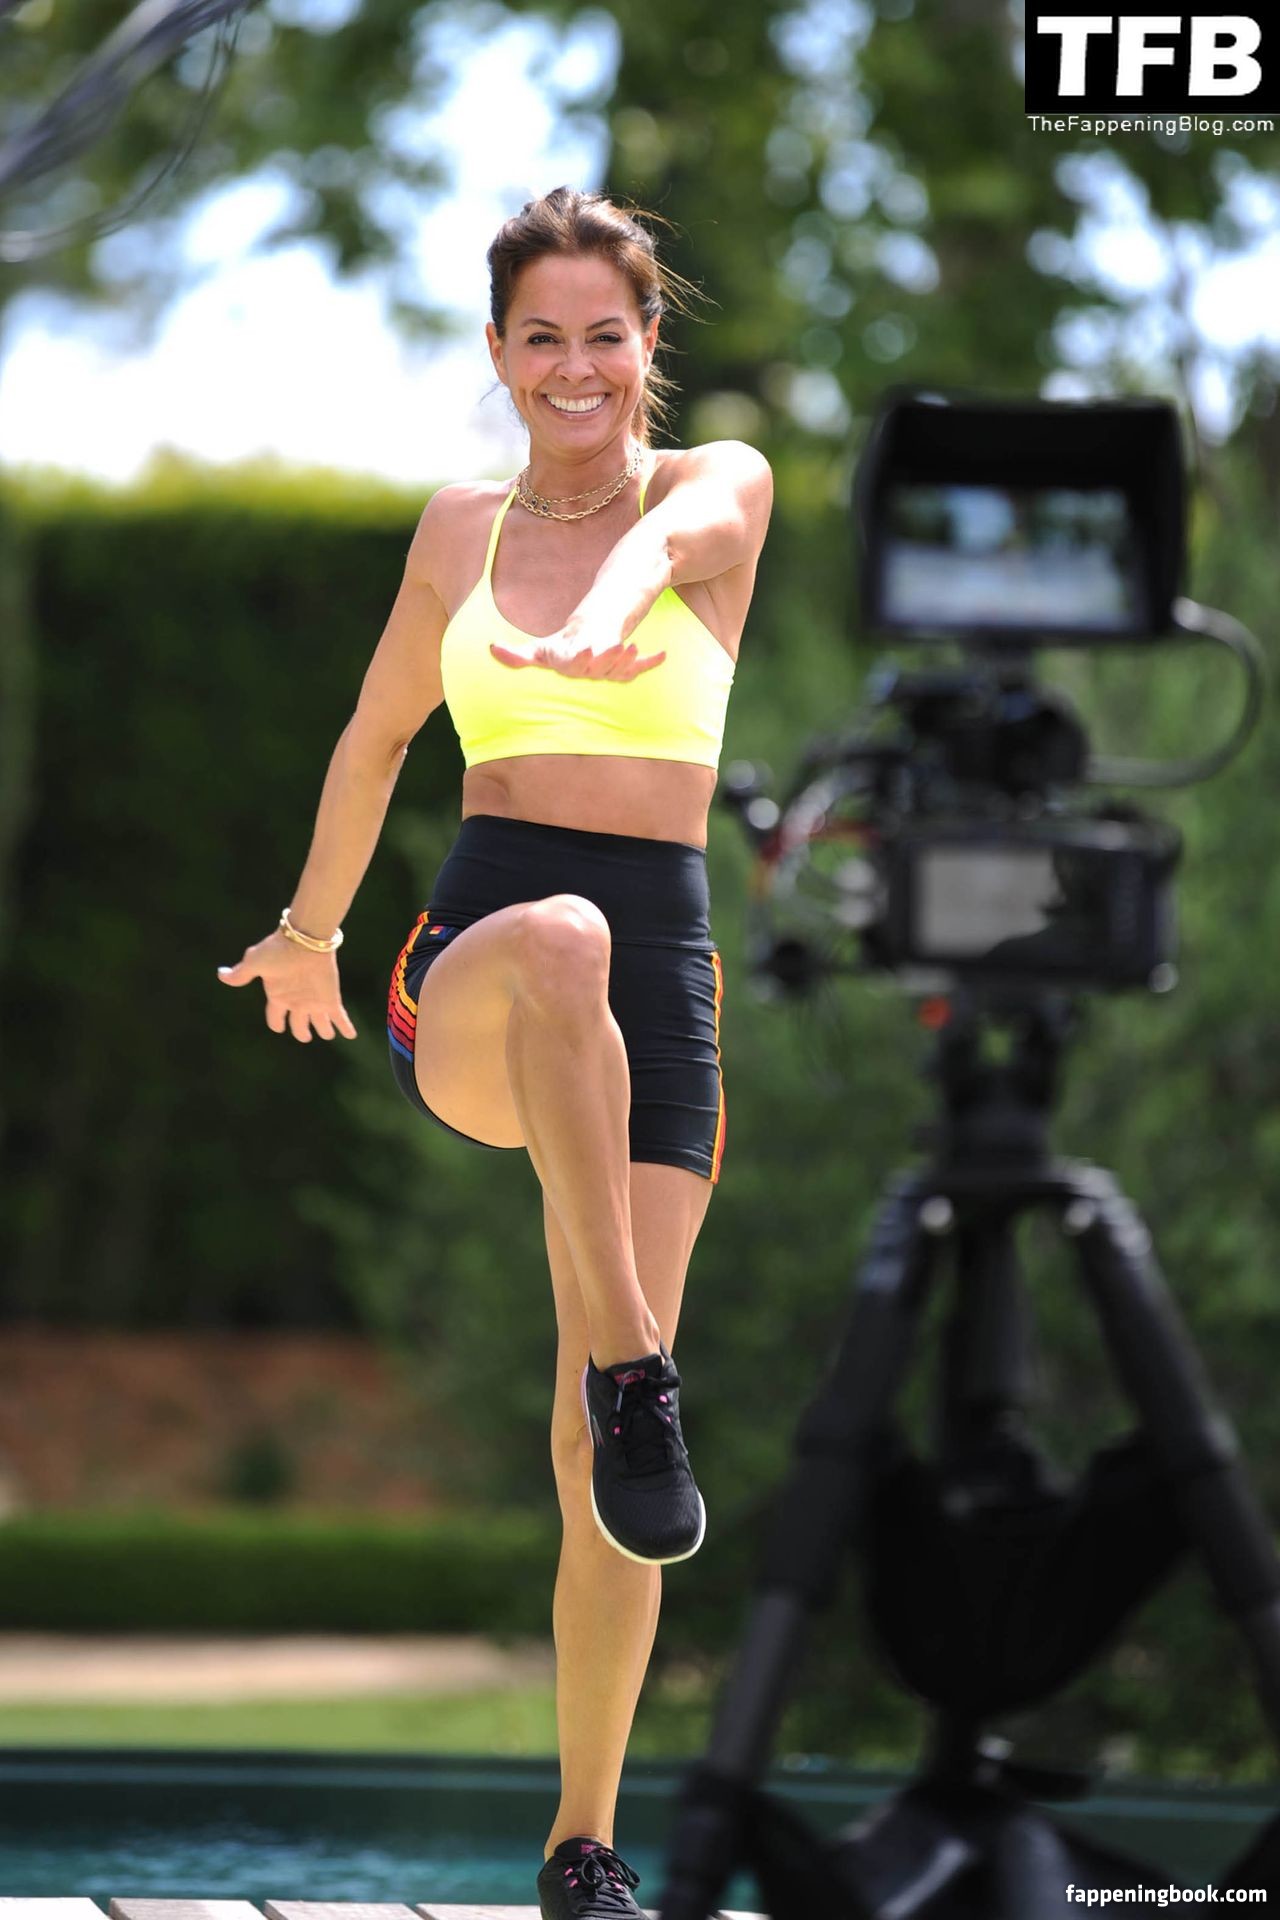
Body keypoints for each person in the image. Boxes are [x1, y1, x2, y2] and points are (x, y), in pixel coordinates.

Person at [217, 183, 773, 1919]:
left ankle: (582, 1849)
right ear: (499, 350)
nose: (574, 365)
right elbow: (376, 737)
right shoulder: (458, 527)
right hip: (474, 966)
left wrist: (623, 572)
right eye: (542, 337)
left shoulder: (717, 489)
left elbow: (688, 536)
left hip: (660, 999)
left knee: (597, 1483)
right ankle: (639, 1370)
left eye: (605, 332)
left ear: (649, 342)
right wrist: (309, 931)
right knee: (560, 937)